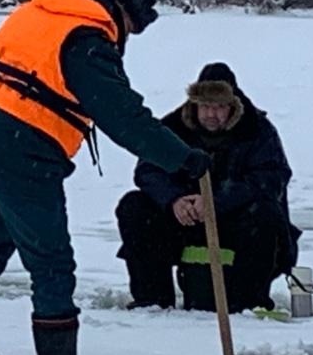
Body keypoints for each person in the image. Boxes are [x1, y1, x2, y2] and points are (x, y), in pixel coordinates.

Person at [0, 0, 212, 355]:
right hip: (21, 149)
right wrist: (182, 158)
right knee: (52, 261)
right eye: (132, 27)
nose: (127, 37)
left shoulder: (41, 14)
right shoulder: (87, 40)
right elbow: (123, 117)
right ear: (121, 12)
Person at [114, 62, 301, 313]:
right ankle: (153, 301)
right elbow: (149, 170)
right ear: (194, 104)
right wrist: (174, 200)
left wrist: (216, 202)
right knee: (134, 206)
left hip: (237, 223)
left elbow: (270, 179)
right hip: (184, 220)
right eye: (205, 106)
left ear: (232, 105)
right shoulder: (171, 127)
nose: (211, 114)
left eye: (219, 107)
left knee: (265, 214)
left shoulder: (257, 130)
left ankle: (247, 304)